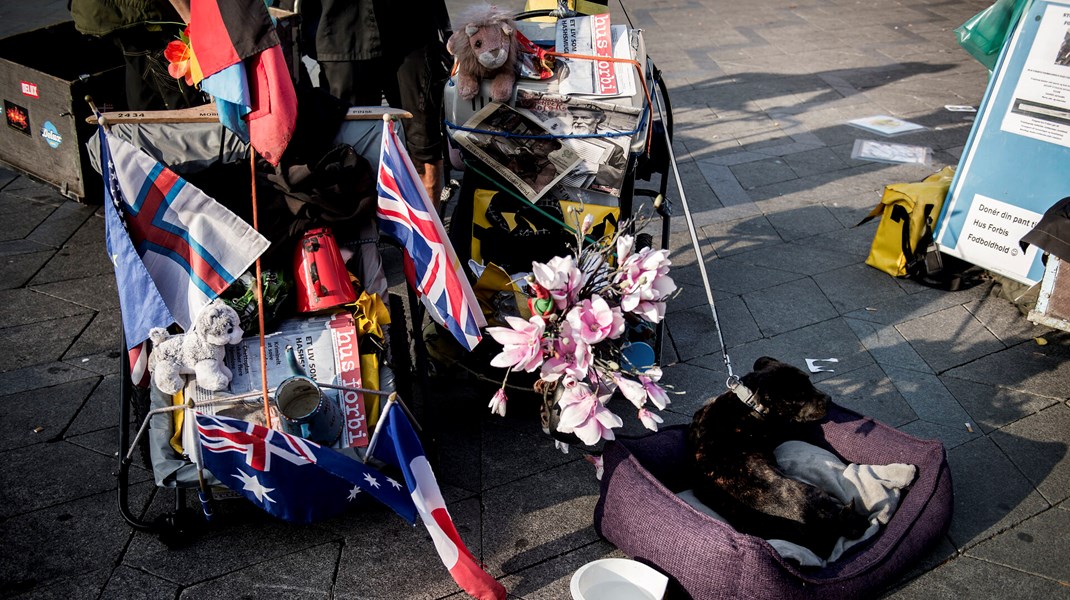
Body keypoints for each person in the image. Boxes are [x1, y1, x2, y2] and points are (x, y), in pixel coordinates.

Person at [307, 0, 451, 208]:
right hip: (340, 31)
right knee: (346, 153)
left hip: (410, 29)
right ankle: (358, 234)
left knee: (424, 143)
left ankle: (430, 234)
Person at [70, 0, 200, 111]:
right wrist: (192, 23)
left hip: (111, 11)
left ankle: (146, 135)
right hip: (142, 14)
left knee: (147, 99)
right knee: (184, 105)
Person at [566, 103, 627, 192]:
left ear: (597, 119)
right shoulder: (559, 139)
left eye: (584, 118)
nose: (578, 121)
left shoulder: (613, 148)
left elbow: (625, 177)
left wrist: (597, 168)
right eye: (575, 117)